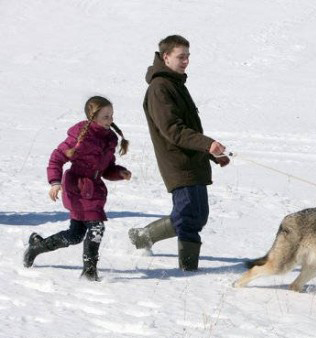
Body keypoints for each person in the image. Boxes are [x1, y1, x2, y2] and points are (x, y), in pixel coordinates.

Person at [128, 35, 230, 271]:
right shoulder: (159, 88)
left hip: (192, 161)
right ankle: (188, 271)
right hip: (178, 163)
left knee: (197, 215)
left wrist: (211, 153)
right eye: (180, 56)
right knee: (188, 218)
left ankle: (144, 236)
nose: (185, 61)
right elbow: (173, 130)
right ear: (166, 57)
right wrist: (207, 144)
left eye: (187, 57)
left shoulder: (174, 83)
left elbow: (187, 129)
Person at [23, 96, 132, 281]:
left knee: (74, 235)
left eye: (112, 115)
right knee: (96, 227)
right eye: (106, 116)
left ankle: (36, 247)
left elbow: (107, 169)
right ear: (93, 117)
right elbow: (57, 158)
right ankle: (89, 272)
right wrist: (55, 182)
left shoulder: (110, 139)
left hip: (94, 190)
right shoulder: (81, 135)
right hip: (77, 189)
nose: (110, 120)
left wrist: (119, 172)